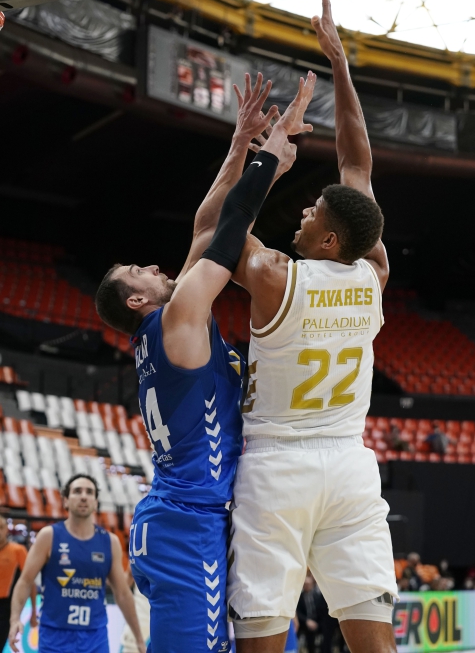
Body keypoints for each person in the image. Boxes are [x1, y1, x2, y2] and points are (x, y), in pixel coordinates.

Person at [94, 73, 315, 653]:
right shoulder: (179, 317)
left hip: (193, 519)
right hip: (188, 526)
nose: (150, 266)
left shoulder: (167, 327)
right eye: (137, 272)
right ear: (137, 300)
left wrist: (240, 142)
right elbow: (227, 233)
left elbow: (203, 225)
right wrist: (271, 159)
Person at [226, 0, 397, 653]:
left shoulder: (273, 279)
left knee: (263, 639)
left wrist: (261, 151)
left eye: (312, 215)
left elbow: (219, 228)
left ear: (327, 240)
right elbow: (358, 164)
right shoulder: (372, 273)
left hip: (278, 469)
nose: (304, 212)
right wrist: (340, 67)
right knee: (373, 643)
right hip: (351, 469)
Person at [9, 474, 145, 653]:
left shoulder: (109, 542)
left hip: (94, 636)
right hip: (55, 635)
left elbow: (122, 593)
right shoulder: (48, 536)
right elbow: (25, 581)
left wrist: (139, 638)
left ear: (96, 502)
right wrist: (15, 619)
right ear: (65, 501)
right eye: (77, 491)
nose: (83, 496)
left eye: (89, 492)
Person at [0, 515, 37, 650]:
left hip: (6, 607)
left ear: (6, 530)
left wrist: (33, 612)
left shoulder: (17, 551)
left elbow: (30, 581)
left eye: (1, 527)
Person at [296, 576, 324, 653]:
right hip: (304, 623)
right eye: (305, 584)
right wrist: (307, 621)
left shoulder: (317, 596)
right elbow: (297, 612)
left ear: (312, 584)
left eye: (309, 584)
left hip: (317, 623)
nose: (307, 586)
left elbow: (320, 611)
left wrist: (317, 623)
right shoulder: (298, 597)